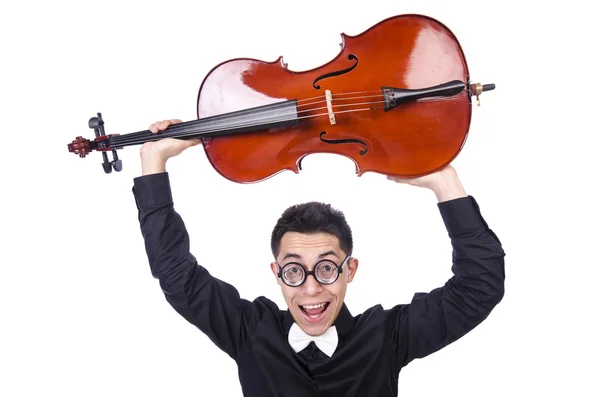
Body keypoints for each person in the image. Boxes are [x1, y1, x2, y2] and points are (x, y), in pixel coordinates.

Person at [131, 119, 505, 397]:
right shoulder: (249, 330)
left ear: (350, 270)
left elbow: (479, 287)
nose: (310, 288)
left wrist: (445, 182)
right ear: (276, 274)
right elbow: (177, 276)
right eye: (294, 270)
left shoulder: (387, 337)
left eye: (326, 268)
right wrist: (154, 160)